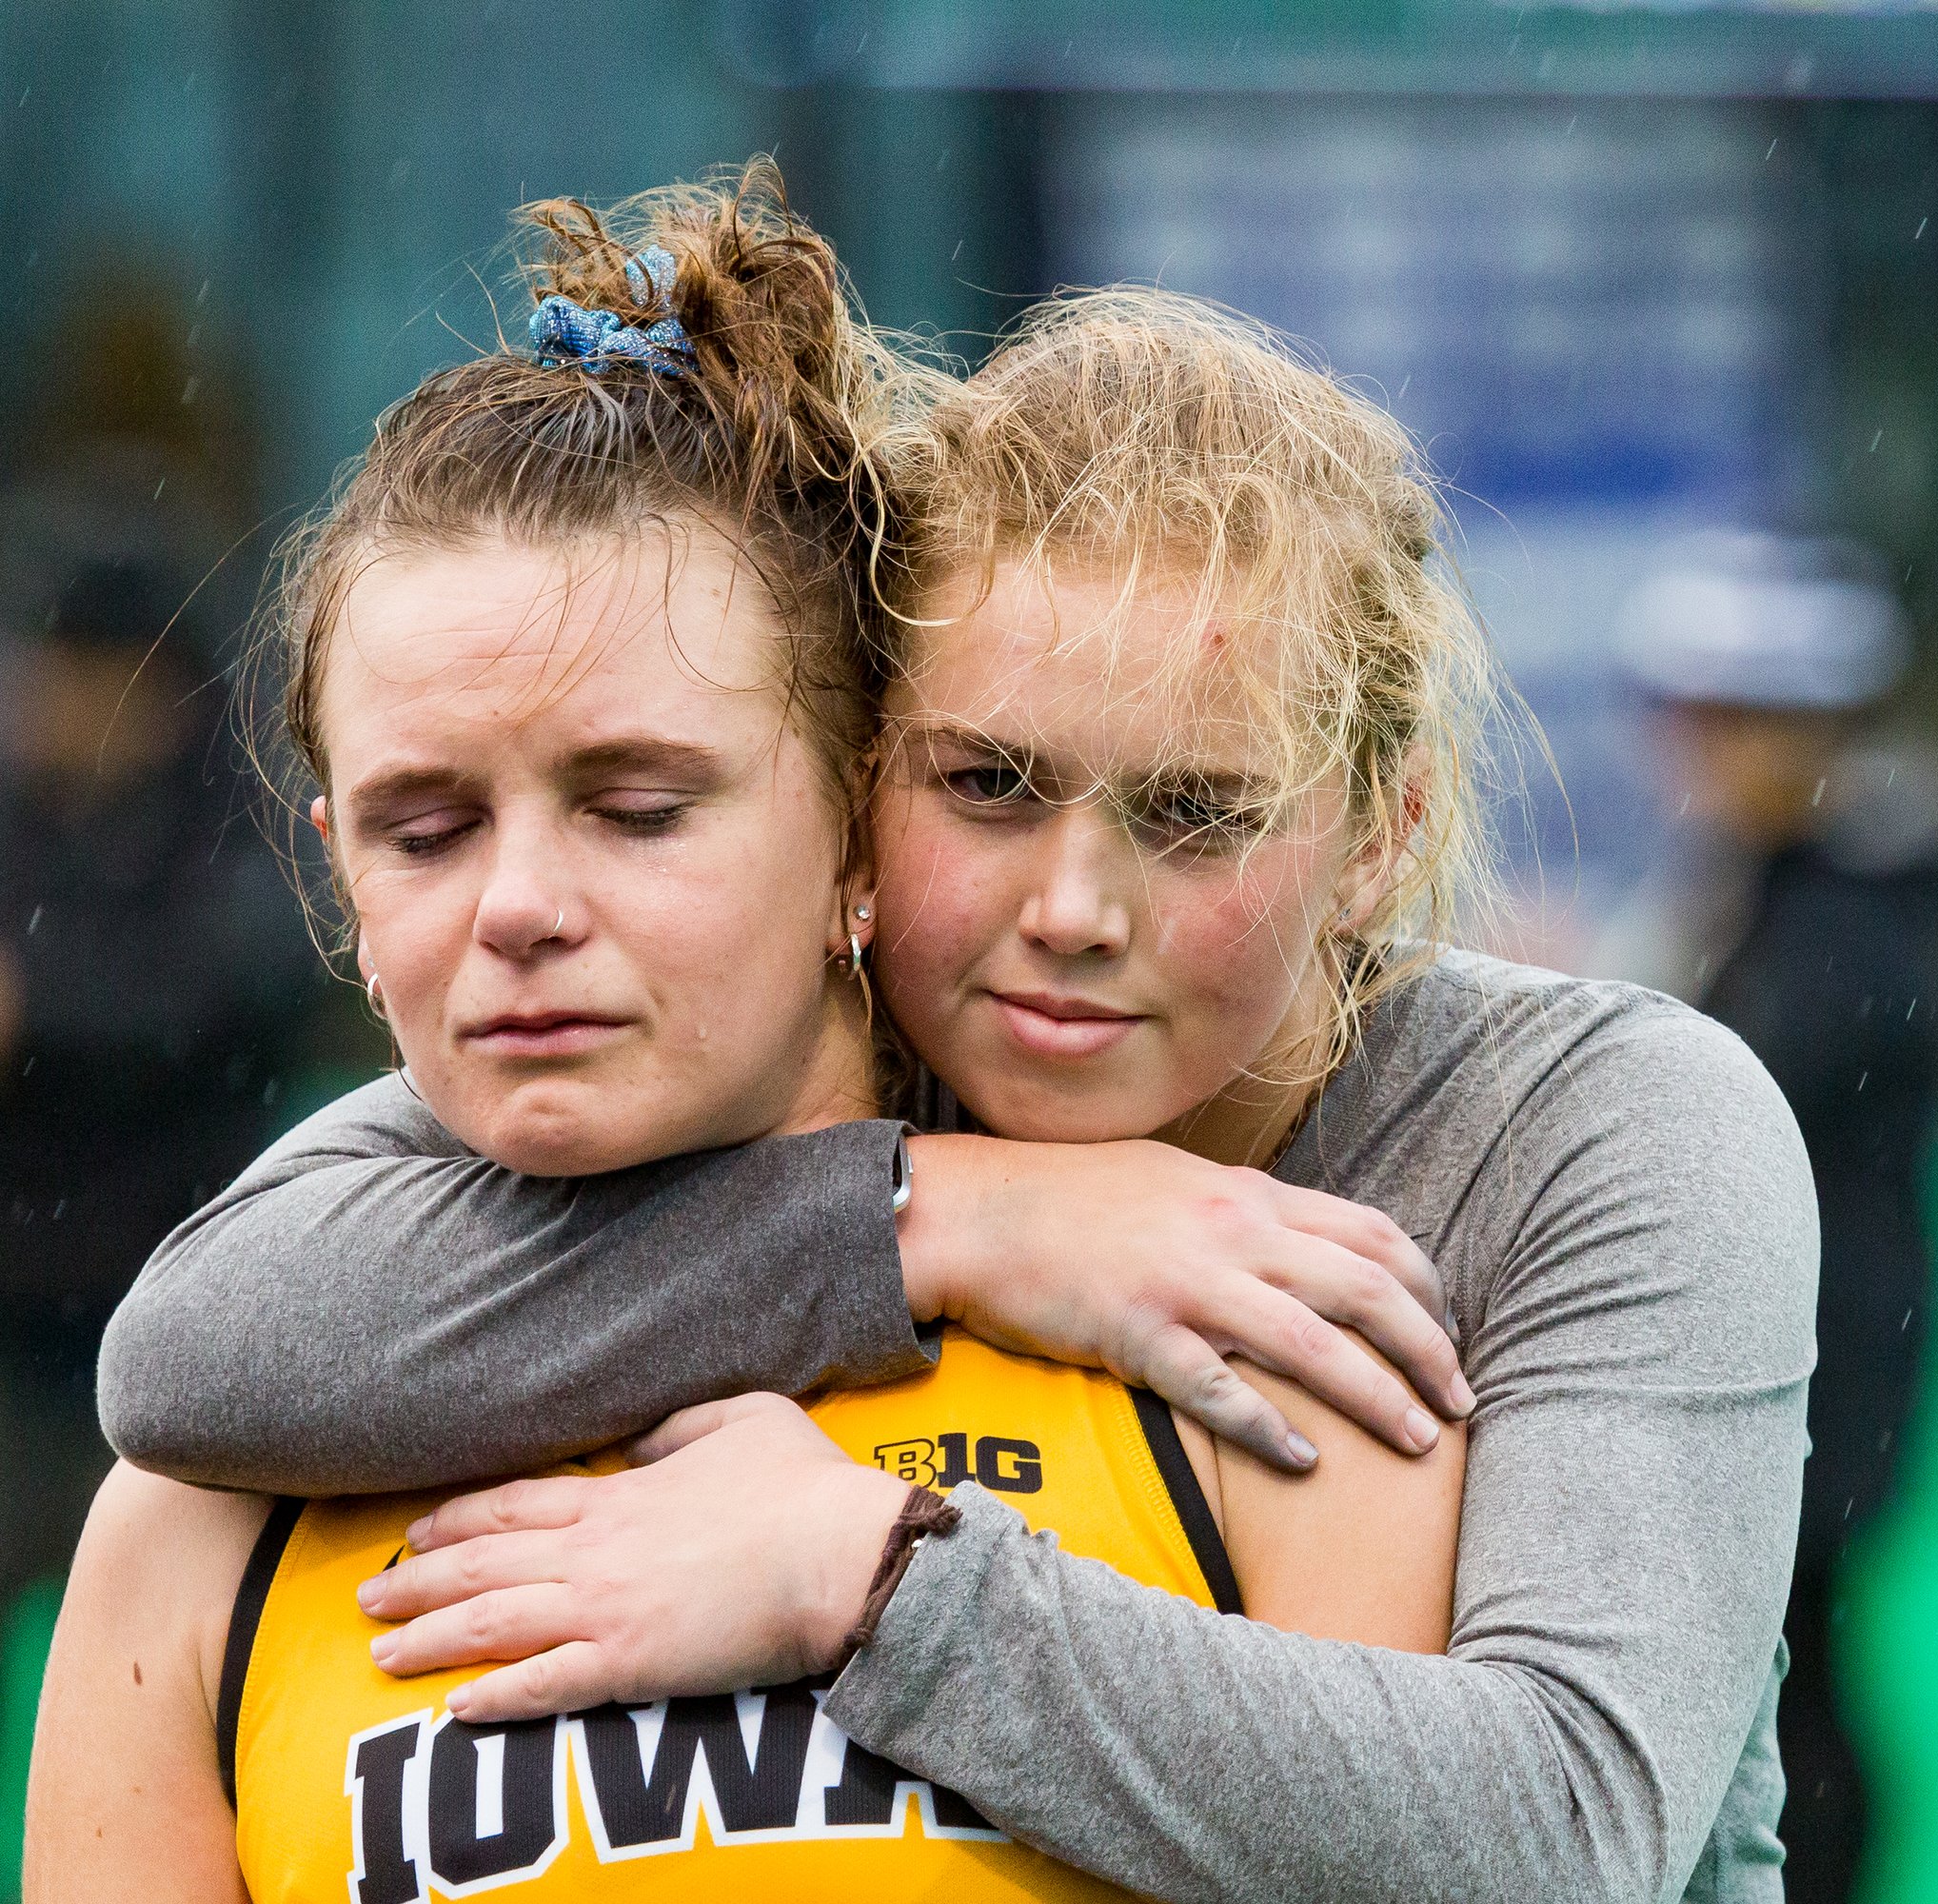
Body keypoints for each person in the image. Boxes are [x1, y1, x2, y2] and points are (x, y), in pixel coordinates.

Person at [88, 185, 1818, 1899]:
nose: (1070, 905)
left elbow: (1569, 1836)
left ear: (1382, 831)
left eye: (1198, 814)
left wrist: (869, 1576)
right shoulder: (805, 1032)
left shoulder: (1596, 1127)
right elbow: (193, 1351)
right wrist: (955, 1212)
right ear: (866, 798)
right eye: (987, 784)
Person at [1608, 534, 1938, 1904]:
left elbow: (1733, 1095)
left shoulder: (1854, 923)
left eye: (1726, 719)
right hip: (1806, 1356)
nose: (1688, 753)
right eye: (1681, 715)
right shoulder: (1791, 887)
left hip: (1822, 1366)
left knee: (1787, 1696)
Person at [0, 461, 319, 1624]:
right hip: (20, 1318)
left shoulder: (237, 812)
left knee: (170, 1626)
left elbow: (228, 988)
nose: (43, 700)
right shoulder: (20, 806)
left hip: (177, 1314)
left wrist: (38, 1000)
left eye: (73, 672)